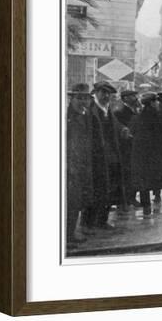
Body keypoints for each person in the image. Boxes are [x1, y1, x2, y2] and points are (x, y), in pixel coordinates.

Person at [85, 81, 125, 229]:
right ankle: (88, 223)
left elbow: (115, 125)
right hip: (96, 158)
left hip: (110, 157)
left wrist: (123, 130)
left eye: (108, 93)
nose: (106, 96)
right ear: (95, 93)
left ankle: (102, 221)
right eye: (103, 93)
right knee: (95, 190)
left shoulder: (107, 109)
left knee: (109, 189)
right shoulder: (90, 110)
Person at [66, 83, 94, 248]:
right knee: (69, 202)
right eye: (79, 98)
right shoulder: (68, 117)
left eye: (86, 98)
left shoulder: (85, 115)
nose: (83, 101)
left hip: (82, 165)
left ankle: (70, 233)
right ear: (72, 98)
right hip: (70, 167)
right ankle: (66, 237)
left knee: (77, 202)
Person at [114, 89, 142, 208]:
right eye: (132, 96)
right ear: (125, 98)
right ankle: (125, 199)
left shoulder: (133, 110)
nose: (135, 98)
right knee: (126, 174)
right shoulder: (120, 112)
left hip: (133, 146)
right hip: (125, 147)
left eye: (135, 96)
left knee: (132, 173)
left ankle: (130, 198)